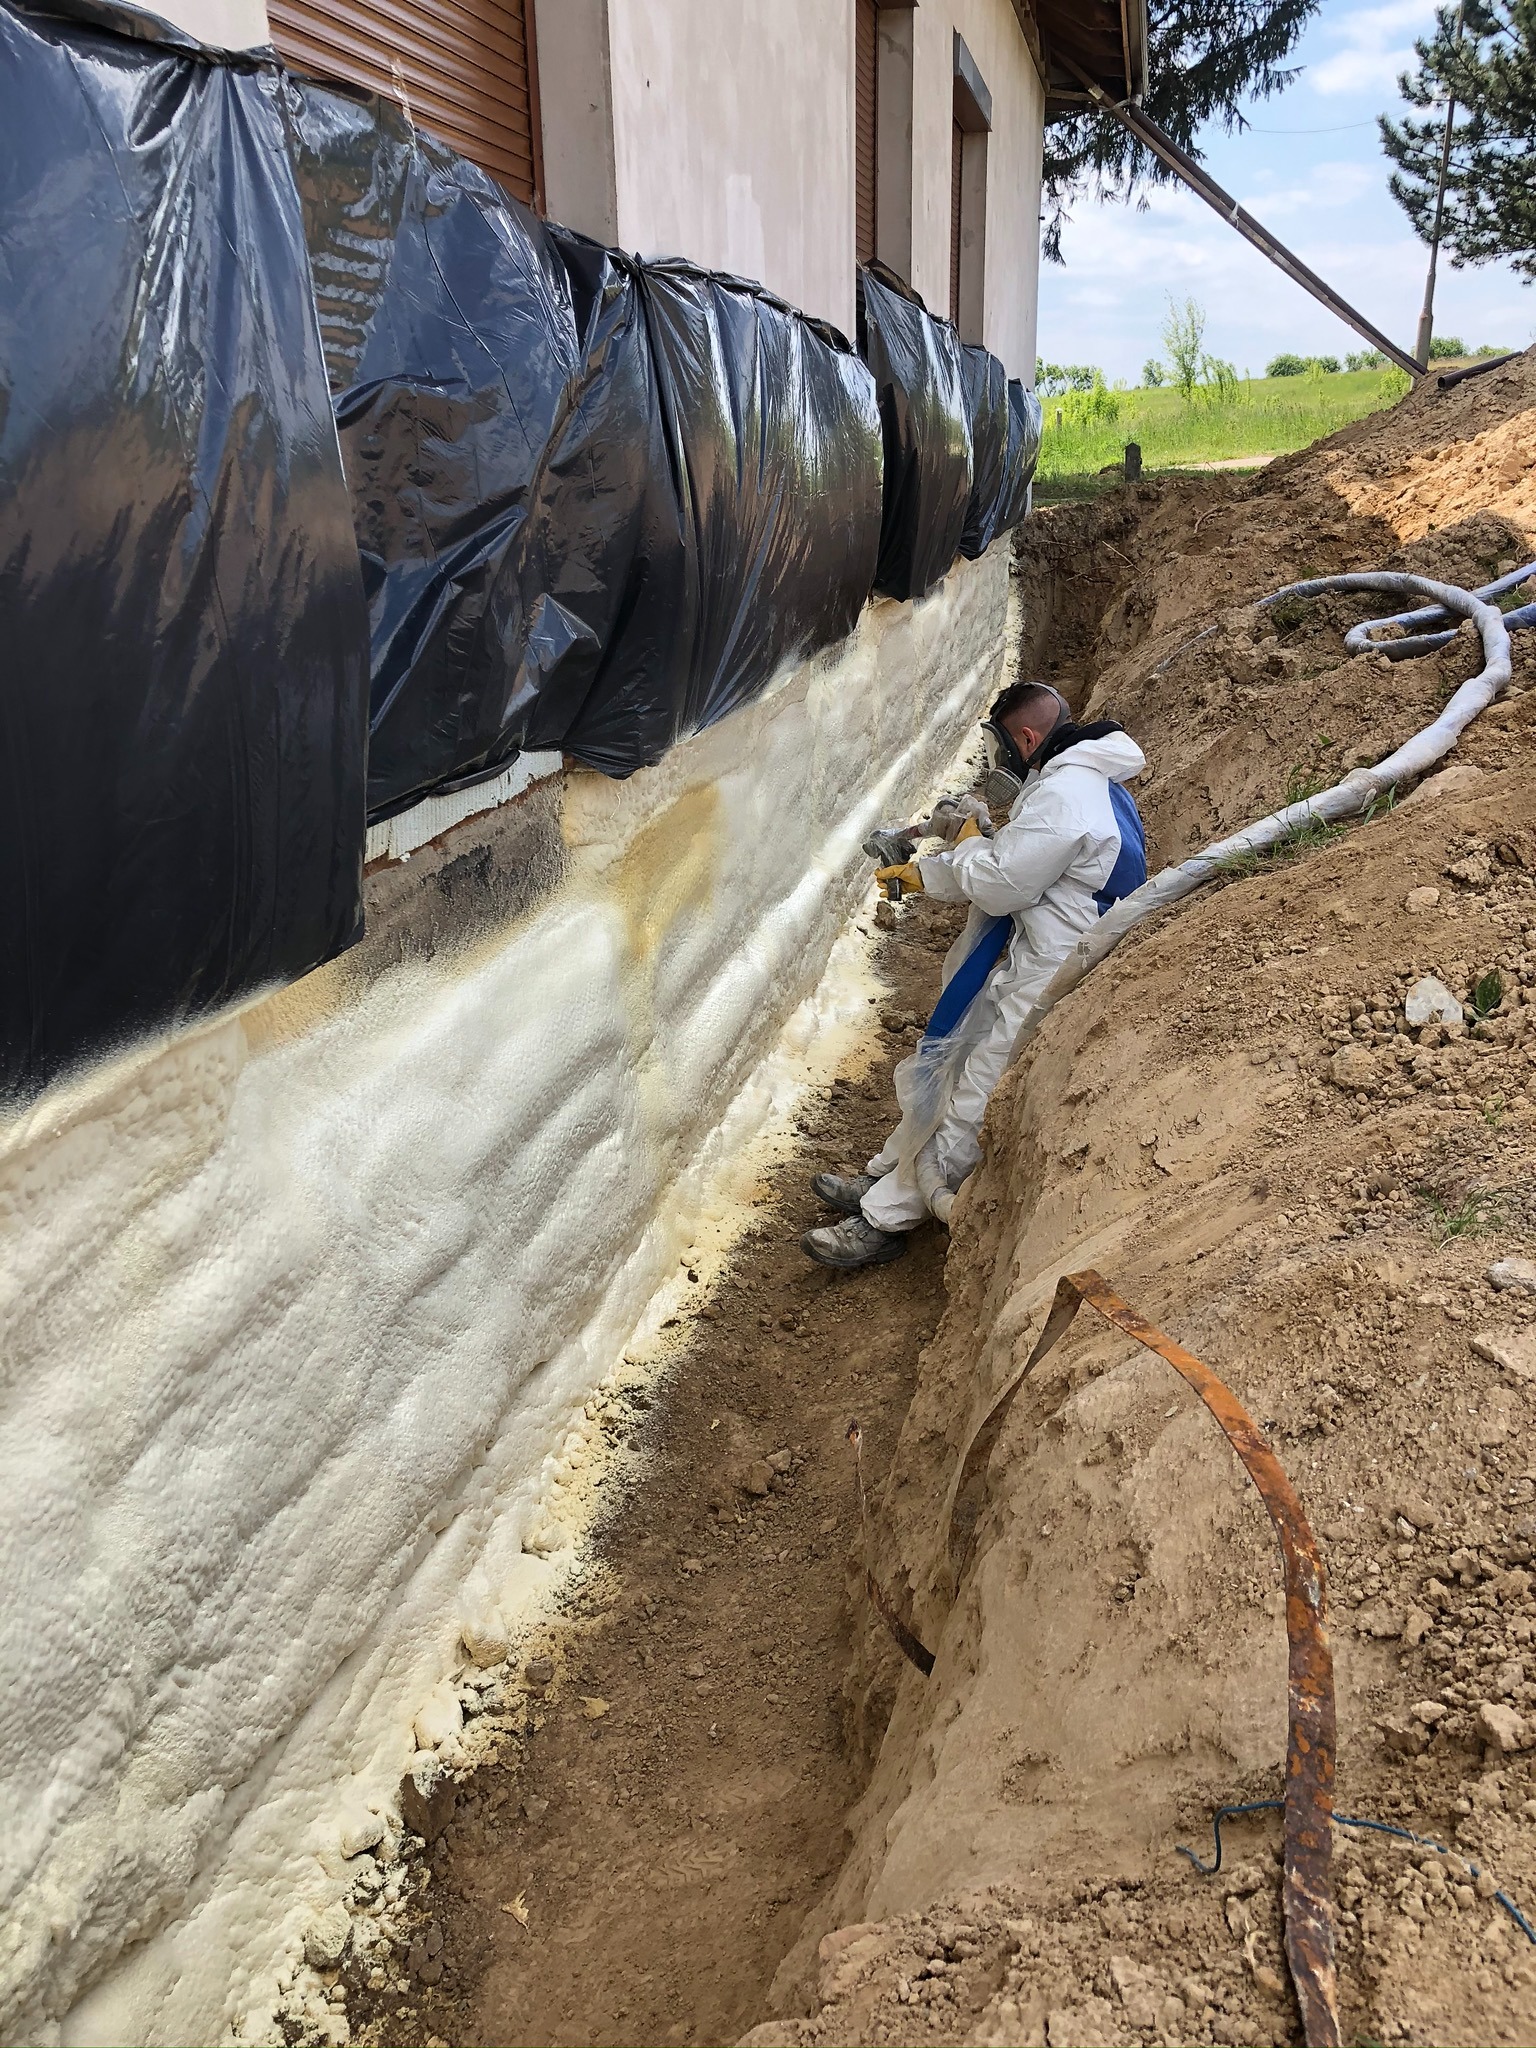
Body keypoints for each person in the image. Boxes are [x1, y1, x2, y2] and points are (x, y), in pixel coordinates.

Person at [803, 681, 1147, 1269]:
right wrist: (929, 870)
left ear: (1028, 738)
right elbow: (1013, 863)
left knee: (977, 1085)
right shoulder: (1074, 778)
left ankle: (887, 1220)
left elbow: (999, 882)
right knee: (955, 1055)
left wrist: (960, 846)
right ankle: (887, 1175)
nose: (998, 760)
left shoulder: (1067, 795)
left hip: (1054, 966)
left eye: (1000, 746)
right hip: (1036, 951)